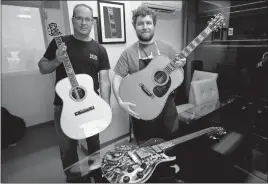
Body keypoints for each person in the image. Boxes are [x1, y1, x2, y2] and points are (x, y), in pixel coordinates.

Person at [38, 4, 111, 183]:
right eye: (79, 18)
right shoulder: (59, 43)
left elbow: (105, 80)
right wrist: (57, 60)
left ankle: (96, 175)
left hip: (91, 107)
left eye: (87, 19)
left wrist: (105, 106)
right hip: (63, 108)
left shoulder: (99, 50)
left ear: (92, 22)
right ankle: (75, 179)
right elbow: (42, 67)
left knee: (94, 146)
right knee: (68, 150)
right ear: (73, 20)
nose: (83, 22)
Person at [112, 5, 186, 144]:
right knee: (146, 152)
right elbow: (117, 78)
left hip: (167, 110)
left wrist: (181, 65)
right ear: (134, 26)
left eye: (148, 23)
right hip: (143, 112)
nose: (145, 27)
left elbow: (178, 76)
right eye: (140, 23)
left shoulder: (168, 49)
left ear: (154, 25)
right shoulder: (129, 53)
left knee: (171, 147)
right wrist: (120, 102)